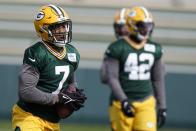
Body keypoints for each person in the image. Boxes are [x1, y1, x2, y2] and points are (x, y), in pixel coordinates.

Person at [12, 4, 86, 131]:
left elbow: (71, 81)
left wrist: (72, 94)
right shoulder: (37, 52)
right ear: (43, 29)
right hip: (30, 117)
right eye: (58, 27)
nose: (63, 30)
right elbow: (26, 91)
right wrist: (58, 98)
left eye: (65, 25)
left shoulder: (72, 53)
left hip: (53, 121)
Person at [100, 6, 167, 131]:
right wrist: (123, 100)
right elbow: (109, 77)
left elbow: (158, 79)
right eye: (142, 25)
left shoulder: (155, 48)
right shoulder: (117, 47)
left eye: (149, 25)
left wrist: (162, 105)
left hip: (146, 102)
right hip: (121, 102)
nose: (146, 29)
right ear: (132, 25)